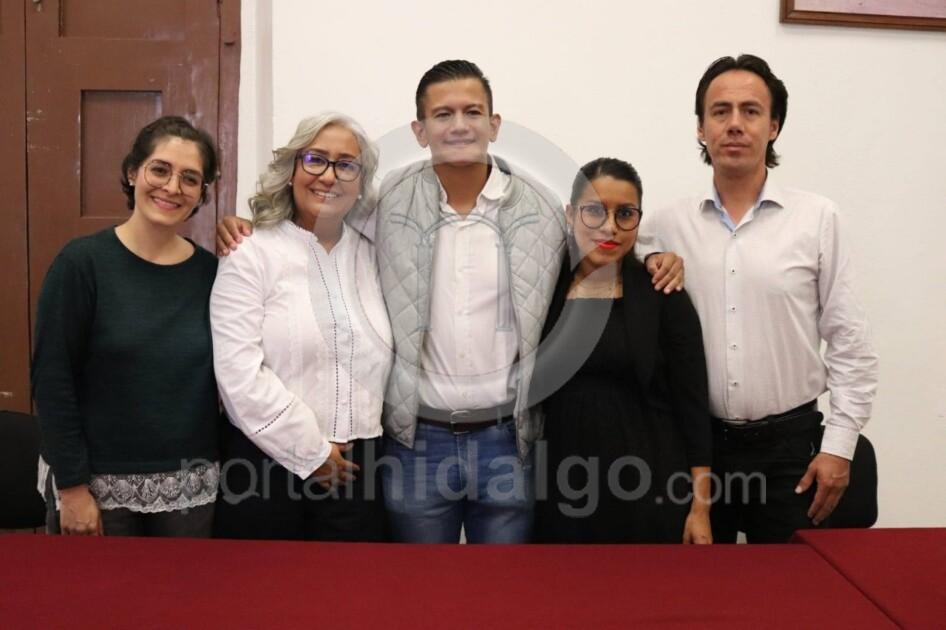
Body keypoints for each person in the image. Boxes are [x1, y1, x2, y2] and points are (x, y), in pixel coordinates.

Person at [216, 61, 685, 544]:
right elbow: (322, 209)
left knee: (504, 584)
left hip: (508, 443)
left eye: (472, 112)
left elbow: (596, 239)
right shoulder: (388, 202)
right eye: (442, 114)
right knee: (420, 585)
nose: (459, 125)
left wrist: (653, 255)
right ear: (419, 130)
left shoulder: (541, 207)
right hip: (416, 443)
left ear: (494, 124)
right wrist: (250, 225)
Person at [638, 54, 879, 543]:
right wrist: (650, 260)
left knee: (795, 587)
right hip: (697, 453)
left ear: (773, 126)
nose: (734, 124)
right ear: (701, 128)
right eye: (720, 111)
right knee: (698, 588)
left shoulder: (817, 219)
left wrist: (839, 446)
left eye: (750, 111)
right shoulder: (663, 227)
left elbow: (850, 343)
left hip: (791, 451)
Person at [33, 115, 221, 537]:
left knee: (183, 586)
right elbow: (52, 380)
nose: (172, 187)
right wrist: (73, 488)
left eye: (190, 179)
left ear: (201, 193)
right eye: (160, 170)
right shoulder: (81, 264)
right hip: (96, 488)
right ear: (133, 172)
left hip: (189, 489)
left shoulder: (213, 274)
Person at [210, 113, 392, 541]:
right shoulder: (250, 252)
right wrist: (311, 452)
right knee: (266, 583)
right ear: (291, 169)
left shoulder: (374, 256)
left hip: (359, 469)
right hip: (264, 467)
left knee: (352, 582)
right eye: (315, 159)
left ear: (361, 182)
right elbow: (238, 374)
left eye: (346, 165)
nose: (329, 175)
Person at [533, 158, 712, 544]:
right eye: (595, 211)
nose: (610, 226)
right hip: (559, 487)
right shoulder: (543, 291)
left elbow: (693, 405)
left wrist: (700, 508)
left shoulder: (663, 293)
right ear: (570, 215)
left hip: (649, 489)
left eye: (625, 214)